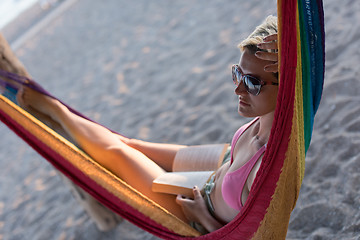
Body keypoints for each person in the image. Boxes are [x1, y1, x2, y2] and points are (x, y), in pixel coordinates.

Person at [17, 15, 279, 233]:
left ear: (288, 86)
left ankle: (57, 110)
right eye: (238, 74)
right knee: (131, 144)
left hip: (200, 209)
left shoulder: (266, 170)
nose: (238, 91)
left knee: (118, 154)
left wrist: (203, 216)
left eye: (253, 84)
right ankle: (63, 117)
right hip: (221, 165)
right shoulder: (268, 119)